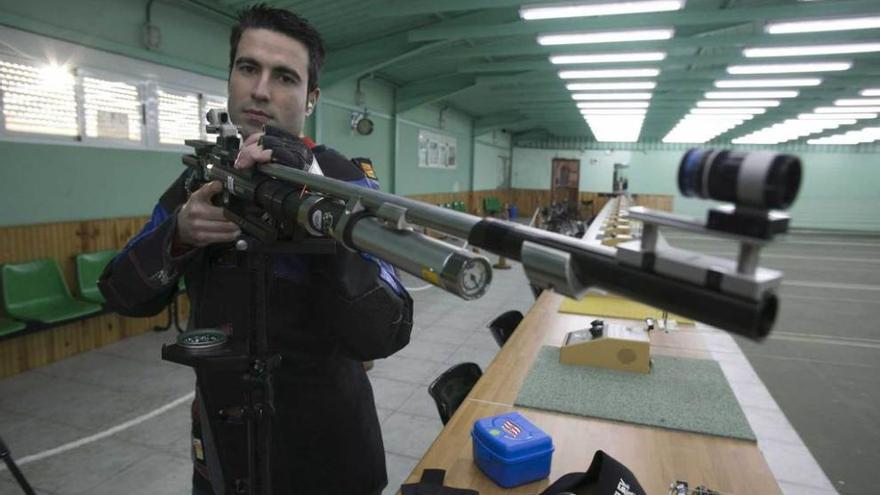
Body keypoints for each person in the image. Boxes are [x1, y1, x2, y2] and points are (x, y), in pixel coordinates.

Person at [98, 5, 413, 495]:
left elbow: (387, 331)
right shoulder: (199, 182)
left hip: (328, 457)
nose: (261, 90)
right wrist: (178, 234)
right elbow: (121, 292)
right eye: (248, 68)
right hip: (225, 457)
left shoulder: (345, 182)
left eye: (285, 76)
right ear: (230, 77)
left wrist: (319, 203)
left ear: (311, 98)